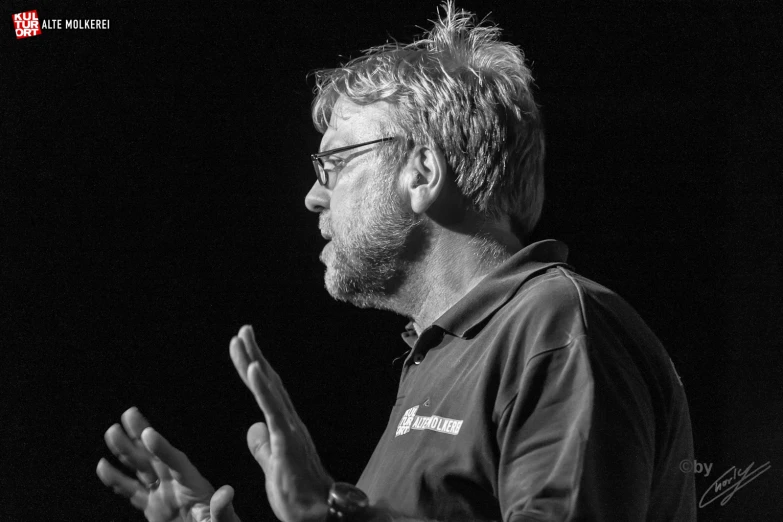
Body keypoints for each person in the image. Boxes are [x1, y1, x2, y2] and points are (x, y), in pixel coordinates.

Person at [96, 2, 696, 521]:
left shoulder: (554, 325)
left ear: (423, 172)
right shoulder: (440, 358)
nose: (313, 196)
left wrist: (339, 512)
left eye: (334, 164)